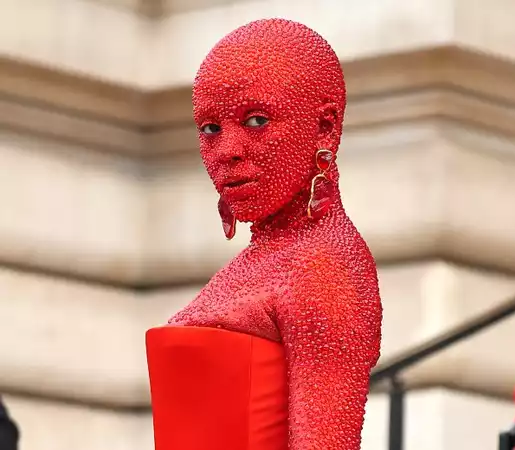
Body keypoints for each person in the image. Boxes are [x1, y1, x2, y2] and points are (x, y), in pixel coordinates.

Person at [145, 18, 382, 450]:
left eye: (256, 120)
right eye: (210, 128)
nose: (227, 151)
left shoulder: (322, 266)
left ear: (325, 126)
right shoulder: (267, 258)